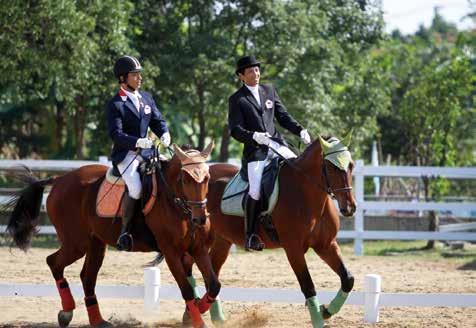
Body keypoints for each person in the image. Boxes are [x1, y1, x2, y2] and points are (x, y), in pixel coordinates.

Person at [228, 55, 311, 251]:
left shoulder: (269, 91)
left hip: (277, 145)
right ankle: (250, 235)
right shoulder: (237, 99)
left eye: (256, 69)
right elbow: (235, 130)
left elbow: (283, 116)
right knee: (255, 189)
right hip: (255, 152)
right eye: (250, 71)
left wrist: (300, 130)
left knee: (298, 171)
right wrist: (254, 136)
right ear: (241, 76)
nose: (255, 73)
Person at [106, 55, 171, 251]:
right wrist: (137, 141)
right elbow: (116, 134)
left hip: (148, 151)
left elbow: (157, 121)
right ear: (123, 78)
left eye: (139, 74)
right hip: (126, 155)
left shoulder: (146, 98)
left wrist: (165, 133)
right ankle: (125, 232)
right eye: (135, 75)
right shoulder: (115, 104)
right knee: (135, 187)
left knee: (170, 174)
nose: (140, 78)